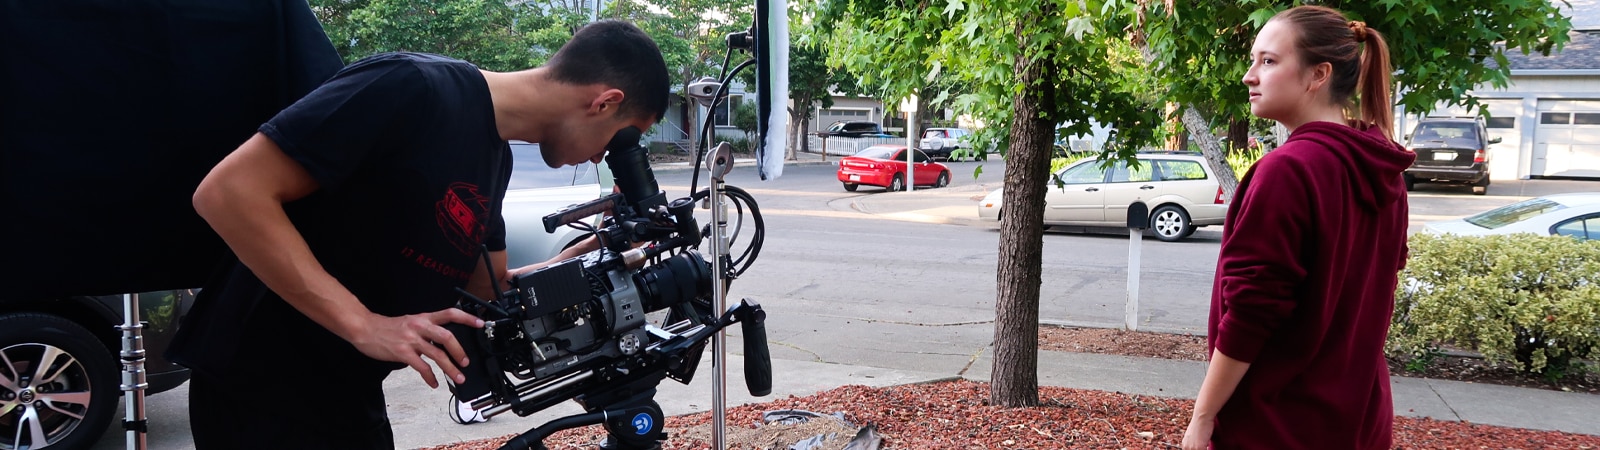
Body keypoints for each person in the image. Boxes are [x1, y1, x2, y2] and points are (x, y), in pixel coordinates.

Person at [167, 19, 669, 449]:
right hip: (261, 386)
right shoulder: (412, 86)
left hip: (345, 390)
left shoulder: (497, 157)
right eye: (623, 138)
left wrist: (590, 257)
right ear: (604, 102)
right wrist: (364, 324)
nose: (605, 157)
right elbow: (228, 192)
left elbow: (485, 293)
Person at [1180, 6, 1415, 450]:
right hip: (1359, 422)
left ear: (1317, 75)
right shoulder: (1383, 172)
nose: (1250, 76)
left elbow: (1251, 312)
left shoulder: (1288, 171)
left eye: (1268, 61)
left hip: (1278, 424)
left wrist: (1203, 416)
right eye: (1254, 61)